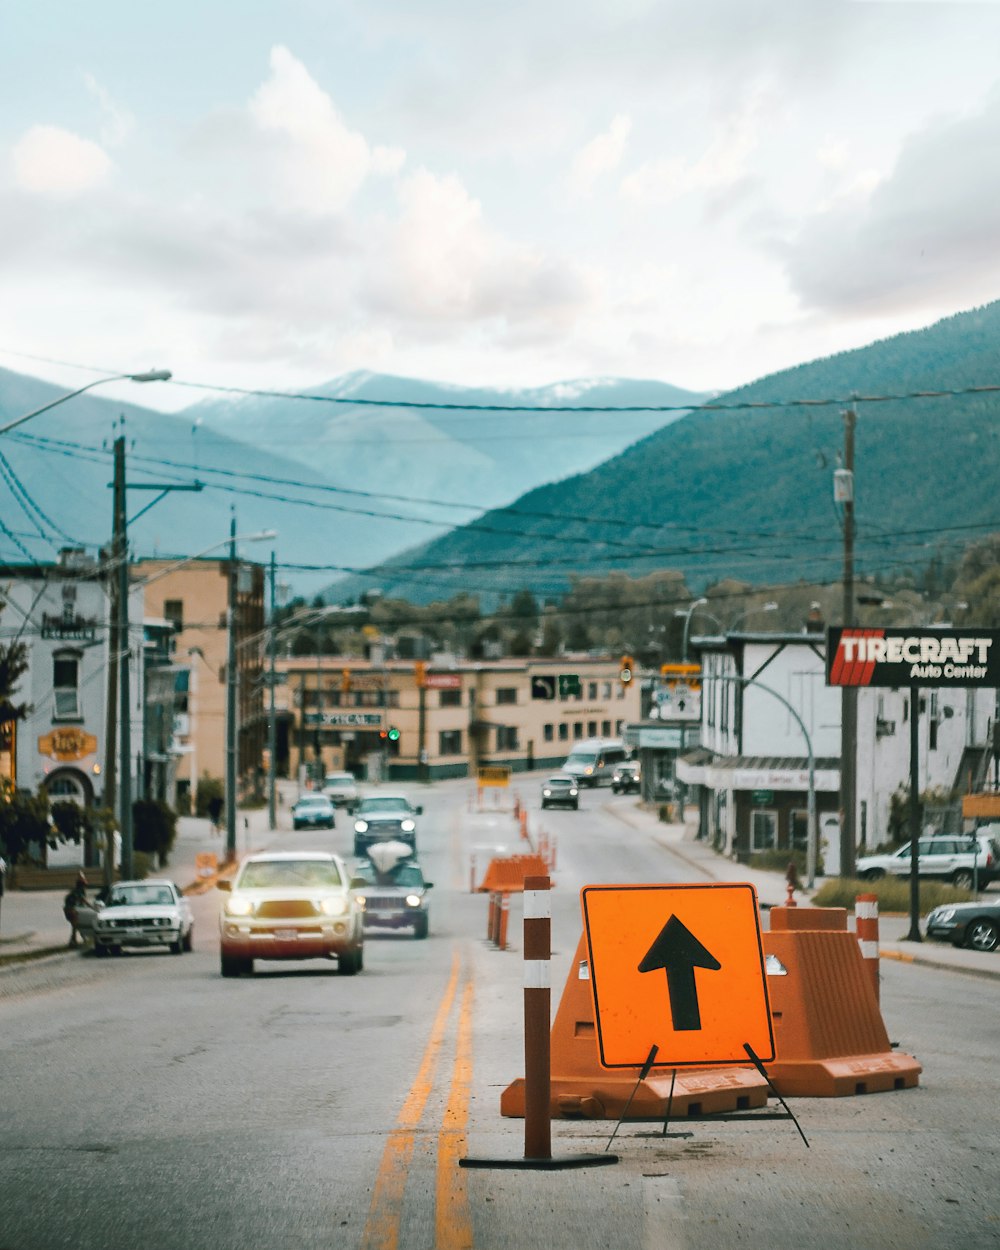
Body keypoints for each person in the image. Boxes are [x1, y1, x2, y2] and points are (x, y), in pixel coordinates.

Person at [63, 873, 92, 948]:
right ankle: (74, 941)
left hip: (68, 909)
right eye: (85, 885)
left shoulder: (75, 891)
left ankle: (77, 939)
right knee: (75, 926)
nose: (86, 887)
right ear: (82, 885)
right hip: (71, 910)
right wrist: (91, 907)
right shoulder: (80, 891)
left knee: (76, 926)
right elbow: (83, 901)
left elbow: (81, 902)